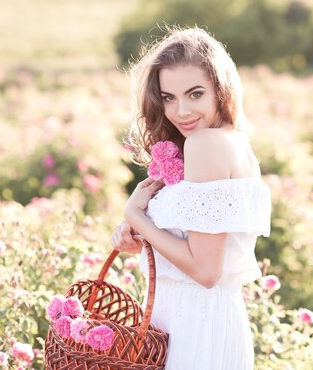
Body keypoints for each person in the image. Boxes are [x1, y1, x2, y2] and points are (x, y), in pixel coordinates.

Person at [110, 27, 271, 370]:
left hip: (197, 328)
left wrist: (137, 217)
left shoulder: (205, 144)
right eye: (168, 97)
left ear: (220, 89)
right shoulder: (230, 140)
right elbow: (206, 248)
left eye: (194, 94)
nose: (180, 110)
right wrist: (141, 240)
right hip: (197, 321)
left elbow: (206, 270)